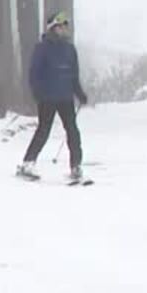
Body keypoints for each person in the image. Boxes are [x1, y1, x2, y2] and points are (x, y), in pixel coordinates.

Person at [17, 12, 89, 183]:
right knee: (43, 131)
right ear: (53, 28)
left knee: (72, 131)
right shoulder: (42, 48)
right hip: (47, 98)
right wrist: (38, 93)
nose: (64, 29)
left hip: (65, 97)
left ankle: (76, 166)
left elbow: (73, 75)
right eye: (61, 26)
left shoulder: (70, 49)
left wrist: (79, 93)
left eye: (65, 26)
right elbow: (34, 73)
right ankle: (28, 163)